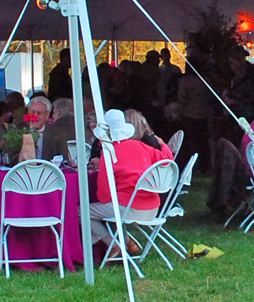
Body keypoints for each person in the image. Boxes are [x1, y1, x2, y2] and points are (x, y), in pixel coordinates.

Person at [85, 109, 173, 258]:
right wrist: (163, 144)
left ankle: (113, 245)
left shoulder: (108, 154)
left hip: (128, 209)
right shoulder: (141, 146)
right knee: (112, 208)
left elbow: (104, 193)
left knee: (82, 212)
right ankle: (127, 243)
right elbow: (167, 159)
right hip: (153, 208)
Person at [40, 98, 76, 162]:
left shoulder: (55, 131)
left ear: (59, 113)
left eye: (53, 112)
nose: (52, 115)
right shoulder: (80, 127)